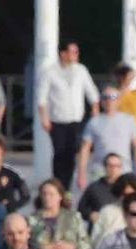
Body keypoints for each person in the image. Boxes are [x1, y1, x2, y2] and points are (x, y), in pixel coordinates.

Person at [37, 40, 100, 189]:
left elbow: (91, 91)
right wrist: (44, 118)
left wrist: (95, 108)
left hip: (76, 120)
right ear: (63, 54)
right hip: (57, 120)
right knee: (59, 153)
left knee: (71, 153)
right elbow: (42, 98)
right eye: (73, 52)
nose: (76, 55)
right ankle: (58, 185)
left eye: (77, 52)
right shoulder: (50, 72)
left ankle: (67, 187)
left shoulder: (81, 70)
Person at [27, 178, 91, 249]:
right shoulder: (33, 219)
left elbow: (87, 244)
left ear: (60, 196)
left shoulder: (73, 217)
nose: (47, 198)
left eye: (51, 194)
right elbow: (26, 245)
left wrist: (72, 247)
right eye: (44, 194)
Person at [78, 88, 136, 191]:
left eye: (113, 97)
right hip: (100, 171)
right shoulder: (93, 122)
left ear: (119, 100)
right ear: (101, 101)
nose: (109, 100)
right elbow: (85, 149)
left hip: (124, 170)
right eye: (105, 97)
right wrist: (82, 173)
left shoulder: (129, 120)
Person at [77, 153, 124, 226]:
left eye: (117, 166)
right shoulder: (94, 187)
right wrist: (90, 214)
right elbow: (81, 209)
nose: (114, 169)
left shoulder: (126, 188)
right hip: (99, 228)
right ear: (105, 167)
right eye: (110, 166)